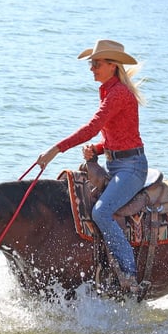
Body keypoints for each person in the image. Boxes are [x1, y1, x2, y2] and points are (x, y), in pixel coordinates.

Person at [36, 39, 147, 295]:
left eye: (96, 64)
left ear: (112, 65)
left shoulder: (118, 93)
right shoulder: (109, 90)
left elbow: (92, 128)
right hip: (118, 162)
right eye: (91, 63)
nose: (92, 68)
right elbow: (116, 136)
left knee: (101, 212)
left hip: (131, 167)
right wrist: (97, 150)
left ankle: (129, 275)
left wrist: (55, 150)